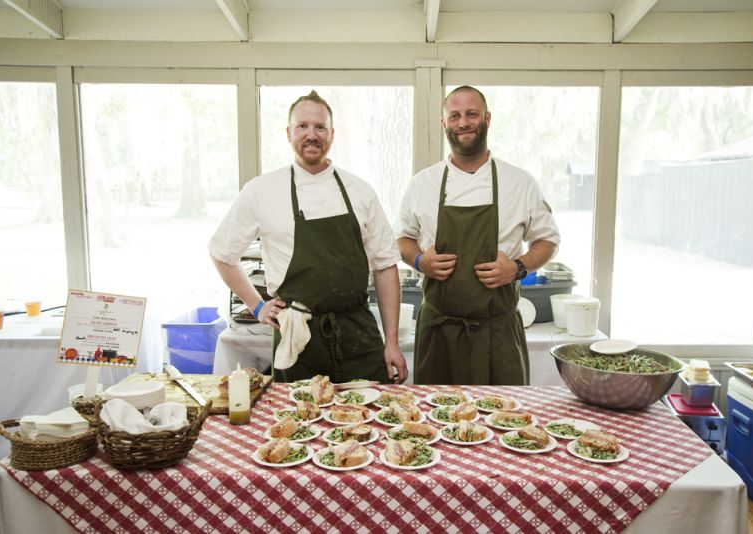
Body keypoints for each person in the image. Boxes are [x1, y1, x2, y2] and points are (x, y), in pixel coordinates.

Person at [209, 90, 407, 384]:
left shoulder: (360, 191)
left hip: (358, 334)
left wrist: (391, 341)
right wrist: (257, 305)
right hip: (296, 337)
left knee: (369, 420)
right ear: (289, 133)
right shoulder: (262, 191)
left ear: (332, 134)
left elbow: (386, 265)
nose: (311, 135)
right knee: (297, 425)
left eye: (319, 127)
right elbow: (222, 253)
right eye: (302, 126)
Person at [396, 85, 560, 385]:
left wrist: (518, 268)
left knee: (505, 422)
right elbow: (402, 240)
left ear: (487, 118)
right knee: (434, 423)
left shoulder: (519, 182)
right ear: (444, 123)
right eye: (455, 115)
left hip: (498, 331)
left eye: (472, 114)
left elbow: (548, 240)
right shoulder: (423, 183)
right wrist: (420, 262)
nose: (464, 122)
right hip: (439, 332)